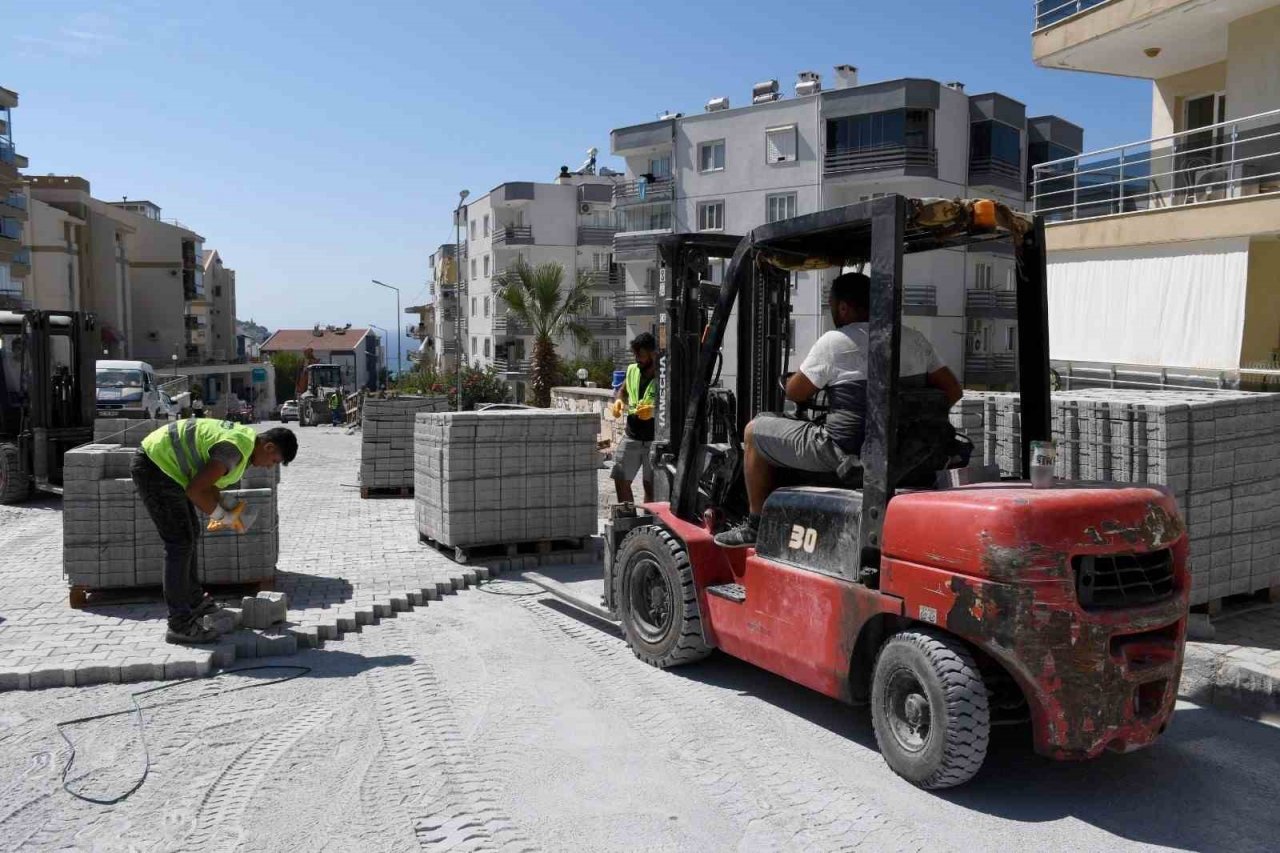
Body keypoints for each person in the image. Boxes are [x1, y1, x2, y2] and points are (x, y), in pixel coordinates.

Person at [714, 272, 962, 548]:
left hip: (842, 449)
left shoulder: (835, 341)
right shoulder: (914, 338)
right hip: (903, 448)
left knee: (754, 431)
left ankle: (755, 525)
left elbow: (796, 392)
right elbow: (953, 391)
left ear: (843, 307)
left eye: (832, 305)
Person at [132, 420, 298, 644]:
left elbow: (209, 484)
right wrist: (224, 517)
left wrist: (229, 509)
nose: (269, 467)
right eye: (273, 461)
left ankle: (193, 601)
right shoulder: (234, 450)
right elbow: (195, 490)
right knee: (179, 542)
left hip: (165, 466)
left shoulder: (244, 445)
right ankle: (180, 624)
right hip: (155, 466)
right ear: (268, 447)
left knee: (189, 533)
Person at [610, 332, 658, 504]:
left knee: (651, 486)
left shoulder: (665, 376)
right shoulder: (632, 370)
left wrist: (654, 410)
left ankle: (651, 522)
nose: (638, 359)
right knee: (620, 477)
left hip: (655, 439)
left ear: (654, 354)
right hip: (632, 435)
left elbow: (675, 403)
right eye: (636, 355)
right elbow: (622, 391)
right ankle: (627, 520)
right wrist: (618, 401)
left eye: (642, 356)